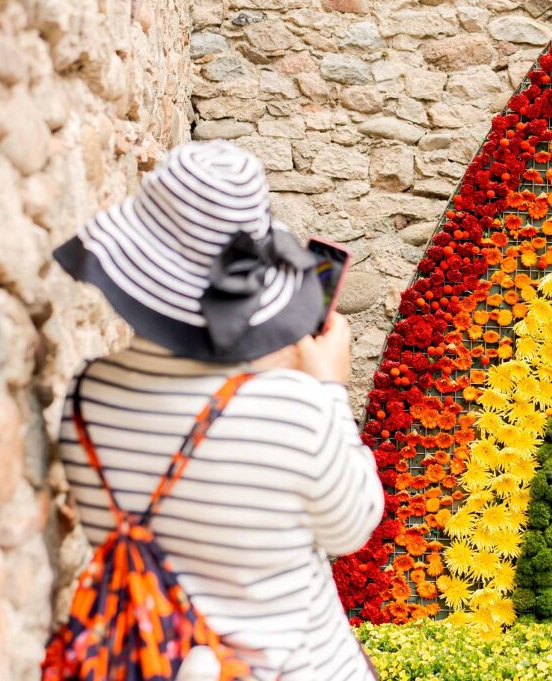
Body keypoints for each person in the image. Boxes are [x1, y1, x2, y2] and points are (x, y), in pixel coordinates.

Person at [51, 141, 383, 680]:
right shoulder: (297, 408)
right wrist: (328, 387)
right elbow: (352, 528)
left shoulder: (87, 396)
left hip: (153, 661)